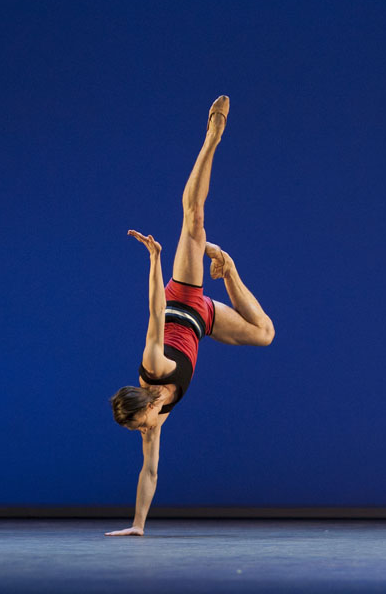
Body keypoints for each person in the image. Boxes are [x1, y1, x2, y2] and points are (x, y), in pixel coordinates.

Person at [106, 96, 275, 536]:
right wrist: (138, 525)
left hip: (181, 296)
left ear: (144, 403)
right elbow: (151, 475)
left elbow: (154, 312)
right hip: (205, 322)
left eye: (137, 425)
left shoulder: (153, 366)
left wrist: (155, 261)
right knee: (265, 334)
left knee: (193, 217)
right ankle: (230, 267)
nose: (140, 433)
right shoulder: (153, 425)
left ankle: (211, 138)